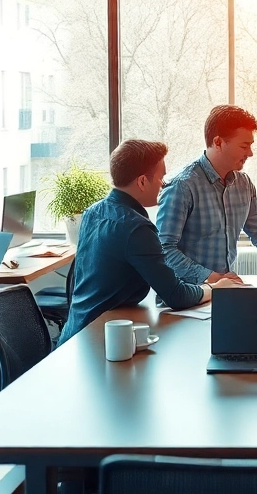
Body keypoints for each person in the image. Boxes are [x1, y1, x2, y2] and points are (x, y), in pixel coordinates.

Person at [59, 139, 237, 346]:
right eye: (161, 178)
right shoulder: (135, 228)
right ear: (142, 182)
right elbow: (176, 295)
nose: (164, 184)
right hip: (104, 339)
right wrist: (216, 287)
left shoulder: (93, 212)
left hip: (76, 334)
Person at [158, 105, 257, 284]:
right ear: (218, 142)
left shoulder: (244, 184)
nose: (250, 153)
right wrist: (212, 279)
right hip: (187, 299)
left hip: (225, 293)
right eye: (244, 146)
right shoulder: (182, 186)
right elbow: (163, 250)